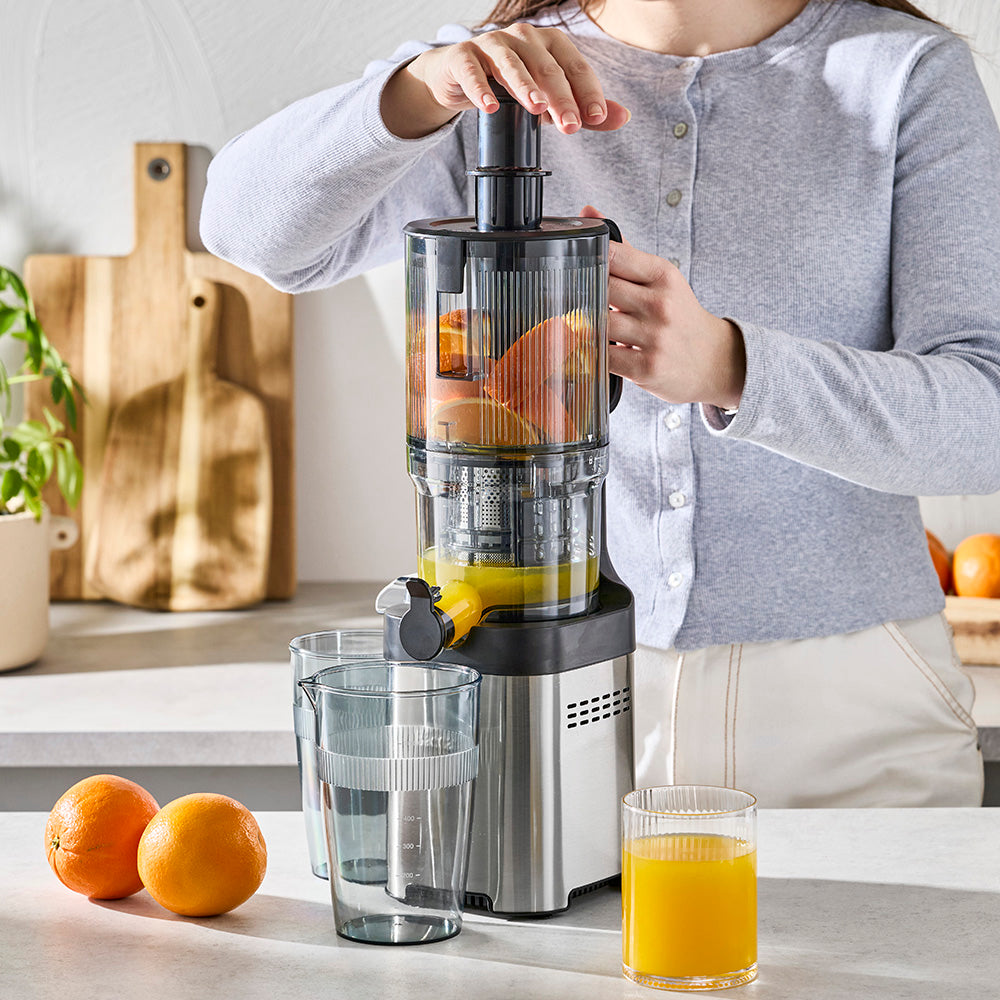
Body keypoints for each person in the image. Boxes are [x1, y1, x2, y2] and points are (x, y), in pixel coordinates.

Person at [200, 0, 1000, 807]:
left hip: (856, 706)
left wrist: (731, 365)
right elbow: (248, 230)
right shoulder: (495, 76)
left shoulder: (903, 74)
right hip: (553, 697)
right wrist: (408, 95)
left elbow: (987, 418)